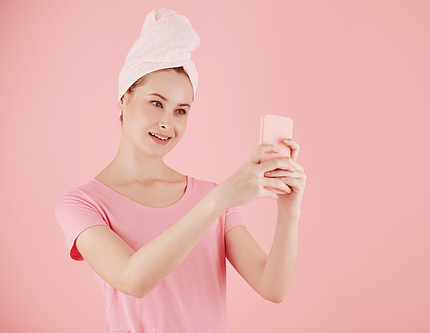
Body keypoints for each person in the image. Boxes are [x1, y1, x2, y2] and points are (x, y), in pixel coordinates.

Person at [55, 8, 305, 333]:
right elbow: (133, 279)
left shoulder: (210, 196)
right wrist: (218, 201)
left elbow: (273, 288)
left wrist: (289, 212)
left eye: (181, 110)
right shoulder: (81, 204)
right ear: (123, 98)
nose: (167, 123)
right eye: (156, 103)